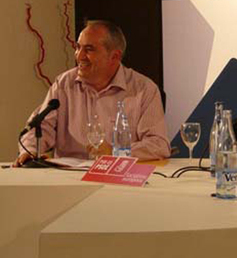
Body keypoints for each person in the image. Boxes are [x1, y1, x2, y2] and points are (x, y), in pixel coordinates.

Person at [15, 20, 171, 166]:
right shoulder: (63, 84)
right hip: (69, 179)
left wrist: (115, 152)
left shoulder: (144, 89)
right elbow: (40, 127)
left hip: (119, 178)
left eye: (89, 49)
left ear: (114, 56)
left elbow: (158, 144)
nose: (79, 56)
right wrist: (30, 151)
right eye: (78, 47)